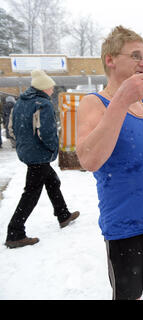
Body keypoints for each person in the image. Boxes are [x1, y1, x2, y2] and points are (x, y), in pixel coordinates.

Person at [76, 26, 143, 300]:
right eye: (135, 55)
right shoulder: (93, 103)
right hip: (126, 227)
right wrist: (122, 99)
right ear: (110, 59)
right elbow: (89, 159)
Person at [4, 70, 80, 249]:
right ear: (44, 88)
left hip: (28, 152)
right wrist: (54, 149)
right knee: (31, 191)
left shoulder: (21, 102)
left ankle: (63, 215)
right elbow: (47, 132)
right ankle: (15, 232)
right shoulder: (43, 104)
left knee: (52, 181)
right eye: (51, 87)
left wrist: (23, 145)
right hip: (39, 155)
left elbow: (12, 128)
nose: (52, 90)